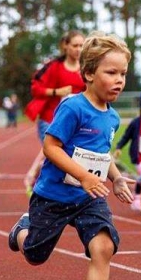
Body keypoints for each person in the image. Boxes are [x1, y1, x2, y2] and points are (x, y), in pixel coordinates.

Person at [8, 32, 134, 280]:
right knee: (36, 255)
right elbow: (50, 147)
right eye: (111, 72)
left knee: (103, 245)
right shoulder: (73, 107)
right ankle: (21, 232)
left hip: (88, 197)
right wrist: (83, 175)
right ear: (89, 73)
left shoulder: (112, 117)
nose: (119, 80)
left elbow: (101, 155)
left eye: (124, 74)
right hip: (53, 196)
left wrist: (115, 178)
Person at [23, 30, 86, 195]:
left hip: (73, 122)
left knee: (60, 155)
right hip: (49, 118)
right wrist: (57, 92)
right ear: (65, 46)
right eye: (75, 45)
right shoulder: (53, 67)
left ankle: (36, 180)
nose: (78, 49)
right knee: (53, 152)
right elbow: (35, 88)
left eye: (81, 45)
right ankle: (35, 182)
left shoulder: (86, 69)